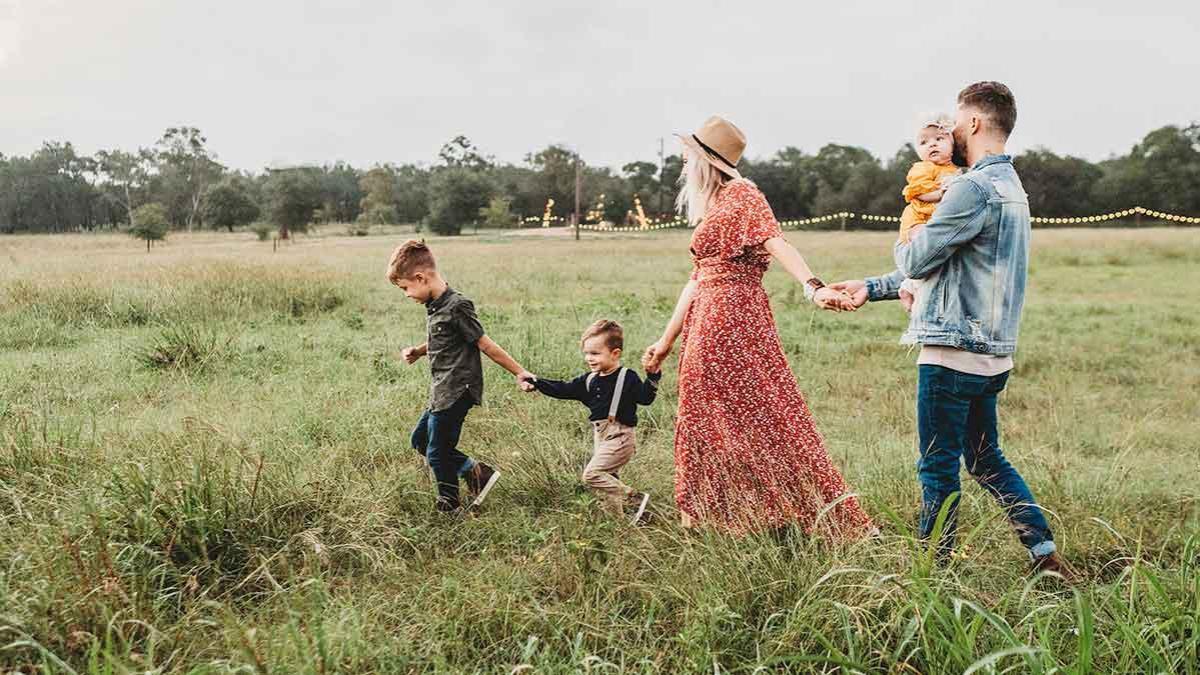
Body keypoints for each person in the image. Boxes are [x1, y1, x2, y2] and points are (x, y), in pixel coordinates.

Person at [829, 82, 1072, 578]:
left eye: (957, 123)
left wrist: (911, 234)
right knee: (985, 460)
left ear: (976, 123)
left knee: (937, 467)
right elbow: (951, 266)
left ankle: (932, 577)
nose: (952, 132)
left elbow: (919, 256)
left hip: (951, 351)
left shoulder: (970, 188)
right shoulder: (1012, 189)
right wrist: (872, 287)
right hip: (992, 354)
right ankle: (1043, 555)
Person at [641, 115, 874, 537]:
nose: (682, 165)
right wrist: (665, 340)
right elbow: (695, 280)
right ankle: (712, 516)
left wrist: (813, 287)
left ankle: (795, 511)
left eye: (687, 157)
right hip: (706, 315)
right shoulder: (715, 205)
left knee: (760, 414)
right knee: (705, 416)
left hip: (731, 316)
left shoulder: (743, 195)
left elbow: (776, 241)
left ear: (706, 160)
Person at [387, 240, 536, 513]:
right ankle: (477, 473)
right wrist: (419, 351)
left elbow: (485, 344)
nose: (406, 294)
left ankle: (450, 506)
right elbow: (442, 339)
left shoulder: (458, 305)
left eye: (405, 288)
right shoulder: (435, 306)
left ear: (421, 277)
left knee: (437, 452)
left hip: (457, 390)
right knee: (420, 441)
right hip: (441, 389)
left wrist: (520, 372)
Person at [524, 320, 660, 524]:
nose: (589, 358)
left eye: (595, 353)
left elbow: (645, 398)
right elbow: (563, 389)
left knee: (592, 475)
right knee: (608, 483)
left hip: (621, 436)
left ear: (615, 353)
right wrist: (536, 382)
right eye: (586, 353)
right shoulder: (590, 380)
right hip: (601, 436)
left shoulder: (626, 377)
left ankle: (634, 498)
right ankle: (618, 523)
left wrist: (652, 376)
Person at [897, 113, 962, 314]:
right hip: (919, 218)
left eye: (939, 139)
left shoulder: (956, 169)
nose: (931, 144)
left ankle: (909, 287)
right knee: (924, 245)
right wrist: (941, 193)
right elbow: (920, 193)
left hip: (935, 218)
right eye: (924, 142)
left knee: (937, 258)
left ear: (952, 144)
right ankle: (912, 289)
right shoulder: (922, 168)